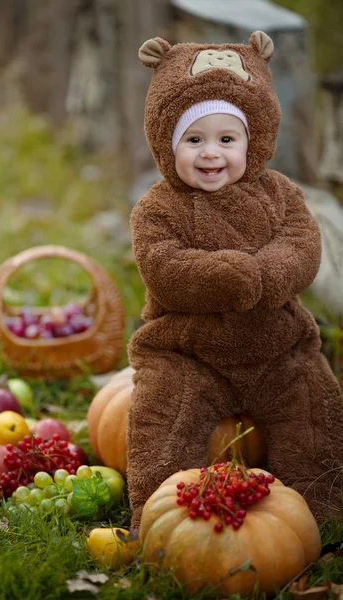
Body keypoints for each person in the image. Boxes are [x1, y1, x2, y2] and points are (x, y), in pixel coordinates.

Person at [127, 31, 343, 530]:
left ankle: (321, 515)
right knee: (161, 419)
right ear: (168, 142)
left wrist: (265, 274)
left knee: (314, 409)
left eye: (227, 139)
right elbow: (164, 267)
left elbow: (303, 248)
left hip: (277, 349)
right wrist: (230, 275)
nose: (211, 154)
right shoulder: (156, 209)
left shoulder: (282, 195)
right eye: (194, 139)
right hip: (189, 352)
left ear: (254, 140)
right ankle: (158, 518)